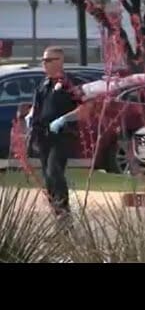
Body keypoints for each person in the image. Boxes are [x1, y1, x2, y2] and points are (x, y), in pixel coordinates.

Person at [26, 46, 84, 231]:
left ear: (59, 61)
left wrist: (64, 119)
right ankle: (58, 218)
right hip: (43, 137)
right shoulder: (43, 85)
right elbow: (37, 106)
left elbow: (85, 108)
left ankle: (65, 218)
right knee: (48, 179)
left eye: (49, 60)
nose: (45, 64)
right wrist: (30, 115)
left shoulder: (69, 83)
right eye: (43, 60)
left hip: (62, 136)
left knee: (54, 173)